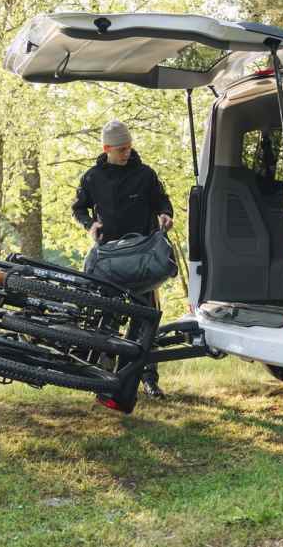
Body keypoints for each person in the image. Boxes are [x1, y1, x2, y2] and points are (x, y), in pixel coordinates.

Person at [71, 119, 174, 398]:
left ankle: (148, 378)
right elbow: (79, 208)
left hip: (143, 257)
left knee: (145, 319)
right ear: (107, 149)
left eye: (129, 147)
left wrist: (166, 213)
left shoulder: (146, 174)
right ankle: (106, 378)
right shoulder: (92, 177)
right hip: (109, 260)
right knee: (109, 316)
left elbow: (162, 201)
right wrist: (90, 224)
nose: (127, 152)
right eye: (120, 149)